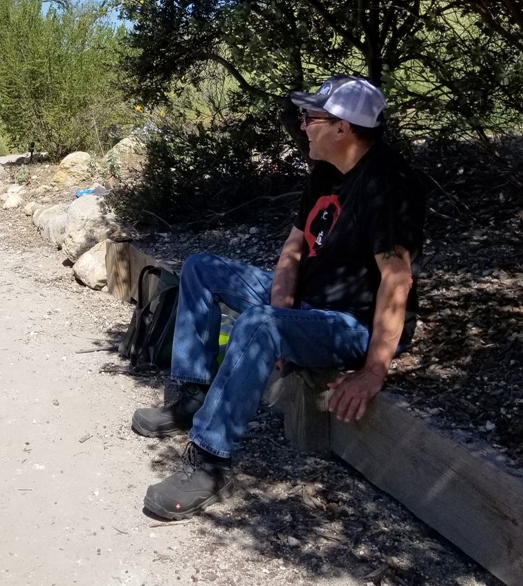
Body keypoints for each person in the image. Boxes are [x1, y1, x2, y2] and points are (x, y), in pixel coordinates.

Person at [130, 76, 426, 520]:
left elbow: (396, 281)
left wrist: (371, 373)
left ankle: (210, 464)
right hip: (305, 304)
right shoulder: (327, 172)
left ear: (342, 128)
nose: (303, 126)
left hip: (351, 323)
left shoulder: (387, 186)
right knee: (200, 268)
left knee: (258, 326)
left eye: (311, 118)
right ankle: (192, 397)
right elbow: (293, 247)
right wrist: (282, 301)